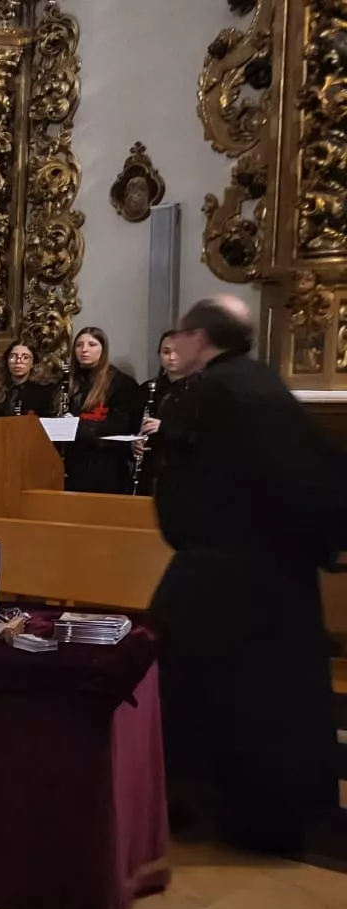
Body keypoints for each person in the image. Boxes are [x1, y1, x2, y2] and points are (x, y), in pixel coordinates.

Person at [152, 296, 347, 856]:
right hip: (280, 577)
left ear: (200, 338)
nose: (177, 346)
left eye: (181, 335)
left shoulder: (206, 393)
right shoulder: (265, 385)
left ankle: (190, 804)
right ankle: (272, 819)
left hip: (219, 577)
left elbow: (181, 498)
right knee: (274, 701)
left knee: (182, 680)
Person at [61, 326, 148, 494]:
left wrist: (78, 425)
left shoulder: (121, 383)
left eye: (92, 344)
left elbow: (123, 424)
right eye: (79, 345)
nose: (84, 350)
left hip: (107, 466)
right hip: (73, 463)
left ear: (103, 349)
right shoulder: (67, 382)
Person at [131, 330, 183, 496]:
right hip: (151, 468)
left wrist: (164, 426)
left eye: (178, 352)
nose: (172, 357)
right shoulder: (148, 389)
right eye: (166, 352)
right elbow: (133, 424)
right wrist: (135, 442)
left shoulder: (200, 388)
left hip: (182, 469)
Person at [0, 340, 56, 418]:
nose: (18, 361)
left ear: (33, 363)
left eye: (25, 357)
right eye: (13, 357)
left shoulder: (44, 392)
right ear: (6, 361)